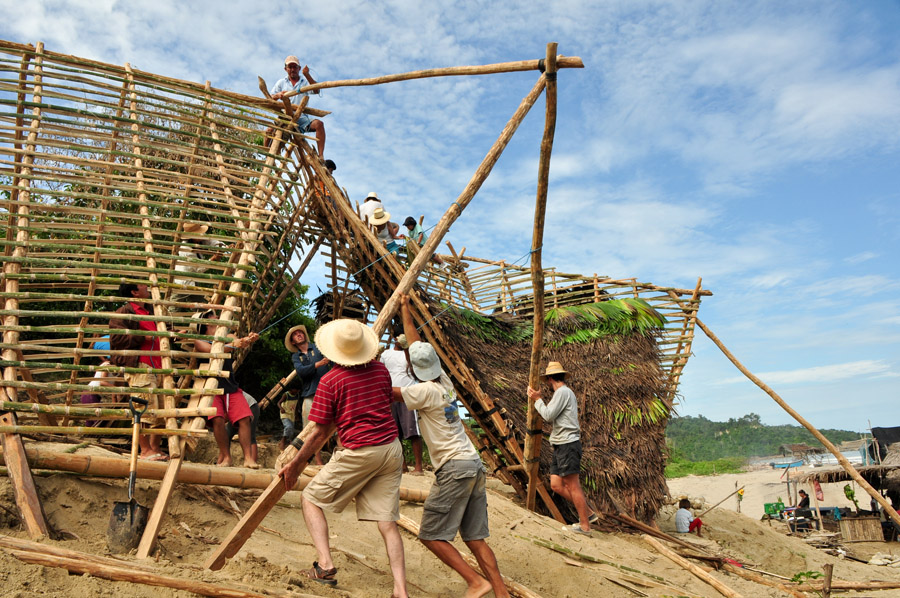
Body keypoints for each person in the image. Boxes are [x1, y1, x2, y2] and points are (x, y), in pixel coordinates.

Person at [391, 293, 510, 598]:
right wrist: (405, 308)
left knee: (431, 535)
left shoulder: (424, 391)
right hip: (473, 463)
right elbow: (418, 345)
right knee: (474, 537)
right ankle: (501, 592)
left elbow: (388, 391)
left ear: (415, 371)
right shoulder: (443, 380)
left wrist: (357, 363)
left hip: (454, 468)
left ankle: (475, 582)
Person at [279, 319, 409, 596]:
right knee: (387, 522)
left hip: (360, 451)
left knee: (310, 499)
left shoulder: (331, 380)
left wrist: (295, 466)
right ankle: (400, 590)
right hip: (390, 448)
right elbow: (385, 400)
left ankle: (324, 566)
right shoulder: (380, 370)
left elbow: (319, 433)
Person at [527, 362, 599, 535]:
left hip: (568, 443)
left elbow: (548, 415)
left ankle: (585, 526)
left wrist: (537, 400)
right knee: (556, 484)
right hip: (561, 444)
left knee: (573, 486)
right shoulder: (563, 393)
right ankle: (588, 513)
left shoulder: (562, 392)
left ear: (550, 378)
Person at [191, 309, 260, 469]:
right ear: (207, 322)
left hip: (230, 386)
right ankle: (227, 457)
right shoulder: (199, 340)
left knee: (244, 419)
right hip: (211, 387)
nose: (219, 318)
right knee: (218, 420)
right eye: (215, 317)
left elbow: (237, 341)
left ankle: (248, 459)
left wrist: (247, 340)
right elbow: (212, 351)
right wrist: (233, 345)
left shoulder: (228, 336)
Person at [109, 282, 167, 461]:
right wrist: (143, 336)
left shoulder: (151, 312)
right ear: (134, 292)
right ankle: (145, 450)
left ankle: (155, 448)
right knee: (142, 408)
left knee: (161, 409)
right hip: (139, 365)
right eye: (144, 287)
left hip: (159, 365)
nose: (148, 289)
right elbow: (117, 338)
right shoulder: (123, 313)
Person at [379, 334, 424, 475]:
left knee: (413, 432)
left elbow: (414, 370)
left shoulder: (410, 354)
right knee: (395, 433)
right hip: (391, 396)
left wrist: (406, 349)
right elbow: (380, 370)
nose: (401, 339)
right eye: (400, 337)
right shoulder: (386, 354)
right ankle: (403, 466)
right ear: (394, 338)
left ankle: (418, 467)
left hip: (408, 395)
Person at [286, 324, 330, 465]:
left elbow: (332, 361)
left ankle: (341, 456)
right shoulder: (296, 356)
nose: (299, 334)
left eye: (300, 332)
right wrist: (317, 365)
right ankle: (318, 462)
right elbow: (301, 372)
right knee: (310, 429)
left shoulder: (318, 347)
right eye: (295, 334)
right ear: (293, 342)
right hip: (309, 394)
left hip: (327, 392)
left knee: (336, 425)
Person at [270, 55, 326, 158]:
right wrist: (278, 95)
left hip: (301, 118)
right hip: (284, 117)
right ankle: (266, 156)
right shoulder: (281, 83)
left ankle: (321, 156)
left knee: (319, 124)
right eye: (290, 67)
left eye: (295, 67)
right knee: (269, 131)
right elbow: (271, 97)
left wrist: (307, 74)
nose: (292, 69)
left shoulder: (304, 82)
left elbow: (316, 90)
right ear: (285, 69)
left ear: (299, 68)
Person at [171, 222, 225, 310]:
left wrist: (222, 247)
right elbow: (198, 269)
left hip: (193, 281)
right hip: (183, 281)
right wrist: (212, 259)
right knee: (174, 307)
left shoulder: (199, 240)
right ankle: (168, 322)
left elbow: (211, 241)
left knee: (201, 306)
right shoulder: (186, 249)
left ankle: (204, 321)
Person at [277, 386, 301, 451]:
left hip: (291, 415)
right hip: (285, 414)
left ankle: (289, 442)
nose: (297, 391)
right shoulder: (286, 394)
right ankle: (283, 441)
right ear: (291, 389)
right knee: (288, 426)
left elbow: (296, 406)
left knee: (291, 430)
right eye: (296, 389)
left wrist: (297, 415)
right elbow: (279, 403)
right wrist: (281, 409)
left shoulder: (297, 395)